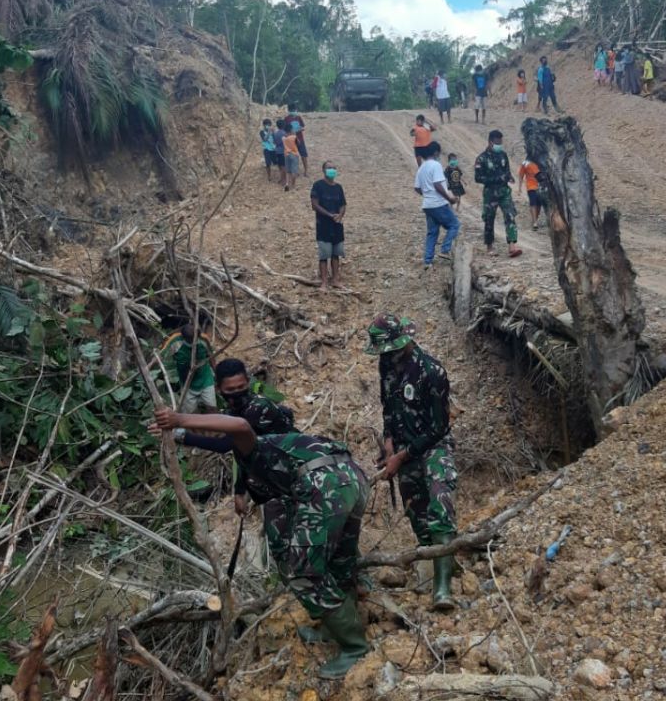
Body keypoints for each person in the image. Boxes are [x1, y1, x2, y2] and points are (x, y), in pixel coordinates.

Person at [152, 408, 370, 677]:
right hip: (354, 477)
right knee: (338, 560)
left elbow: (240, 425)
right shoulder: (287, 448)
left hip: (323, 483)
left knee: (303, 573)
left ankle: (354, 647)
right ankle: (332, 629)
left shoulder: (256, 446)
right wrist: (178, 434)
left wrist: (179, 420)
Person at [365, 314, 458, 611]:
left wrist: (400, 458)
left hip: (433, 446)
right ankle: (436, 567)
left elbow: (439, 427)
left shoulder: (432, 372)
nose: (387, 356)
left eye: (391, 350)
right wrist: (389, 442)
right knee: (416, 513)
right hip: (404, 448)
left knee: (440, 505)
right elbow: (388, 407)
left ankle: (443, 589)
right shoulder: (386, 365)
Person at [212, 358, 297, 577]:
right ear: (218, 389)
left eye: (241, 387)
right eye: (230, 390)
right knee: (280, 542)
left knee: (295, 539)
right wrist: (240, 491)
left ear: (248, 382)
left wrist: (180, 431)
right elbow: (245, 453)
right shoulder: (234, 413)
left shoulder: (257, 408)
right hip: (274, 483)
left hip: (295, 478)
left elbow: (225, 444)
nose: (237, 393)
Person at [473, 130, 523, 258]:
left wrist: (509, 177)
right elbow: (478, 178)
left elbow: (506, 170)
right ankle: (489, 247)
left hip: (504, 192)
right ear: (490, 142)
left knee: (510, 216)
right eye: (497, 143)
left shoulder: (503, 155)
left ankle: (512, 245)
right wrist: (497, 179)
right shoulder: (481, 158)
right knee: (489, 219)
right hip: (490, 193)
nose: (499, 145)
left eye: (500, 142)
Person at [413, 141, 460, 267]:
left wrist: (427, 194)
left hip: (427, 205)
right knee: (454, 225)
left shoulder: (421, 167)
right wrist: (450, 199)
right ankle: (445, 250)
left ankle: (427, 261)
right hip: (438, 204)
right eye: (439, 153)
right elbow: (438, 185)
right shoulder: (436, 165)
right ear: (435, 152)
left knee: (432, 232)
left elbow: (417, 188)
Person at [311, 161, 347, 290]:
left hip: (337, 225)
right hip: (323, 225)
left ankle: (335, 279)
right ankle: (324, 282)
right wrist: (329, 215)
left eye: (333, 168)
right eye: (329, 168)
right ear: (323, 170)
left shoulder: (338, 187)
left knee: (336, 254)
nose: (332, 170)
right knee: (324, 254)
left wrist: (340, 215)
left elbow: (343, 204)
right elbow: (314, 205)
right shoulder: (318, 186)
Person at [174, 323, 216, 413]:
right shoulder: (177, 346)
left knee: (212, 408)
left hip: (206, 379)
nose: (194, 341)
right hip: (188, 384)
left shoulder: (203, 340)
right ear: (185, 338)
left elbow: (211, 355)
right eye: (191, 339)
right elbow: (161, 355)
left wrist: (217, 373)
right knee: (192, 414)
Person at [517, 155, 544, 230]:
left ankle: (535, 220)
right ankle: (535, 222)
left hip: (541, 186)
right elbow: (521, 175)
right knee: (533, 203)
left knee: (539, 204)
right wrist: (519, 188)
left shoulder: (541, 160)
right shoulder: (525, 163)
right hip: (531, 186)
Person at [284, 105, 309, 176]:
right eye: (291, 110)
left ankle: (306, 171)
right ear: (289, 111)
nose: (293, 112)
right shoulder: (286, 119)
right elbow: (285, 129)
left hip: (300, 139)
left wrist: (299, 130)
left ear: (296, 110)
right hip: (291, 140)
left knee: (304, 155)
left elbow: (303, 127)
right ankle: (295, 170)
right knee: (294, 156)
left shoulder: (299, 118)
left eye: (294, 110)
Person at [282, 126, 301, 190]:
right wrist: (295, 135)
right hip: (294, 154)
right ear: (291, 131)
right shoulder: (293, 137)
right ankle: (293, 184)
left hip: (286, 154)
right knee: (294, 171)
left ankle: (287, 184)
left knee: (288, 171)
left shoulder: (284, 138)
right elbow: (299, 143)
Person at [272, 119, 287, 185]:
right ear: (284, 125)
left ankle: (281, 179)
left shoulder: (276, 133)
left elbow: (274, 142)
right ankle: (284, 180)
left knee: (280, 166)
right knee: (284, 166)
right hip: (283, 151)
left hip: (277, 151)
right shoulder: (285, 133)